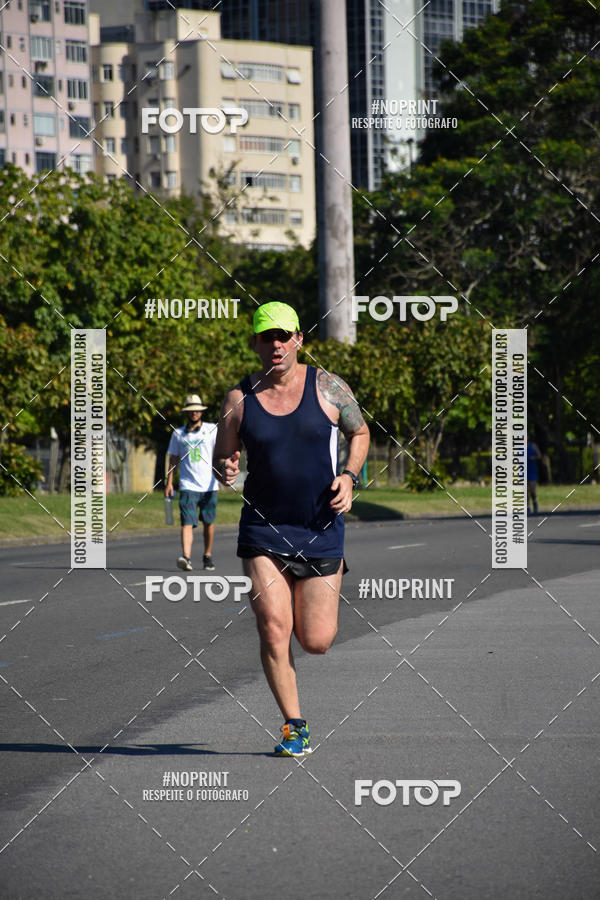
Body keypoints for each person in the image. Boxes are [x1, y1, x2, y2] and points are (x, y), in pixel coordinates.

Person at [214, 302, 370, 756]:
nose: (277, 344)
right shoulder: (239, 399)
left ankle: (315, 602)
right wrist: (225, 467)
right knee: (273, 626)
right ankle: (294, 726)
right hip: (263, 529)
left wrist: (350, 476)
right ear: (255, 344)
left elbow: (360, 433)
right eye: (267, 337)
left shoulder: (328, 387)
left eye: (284, 335)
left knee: (316, 641)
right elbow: (222, 457)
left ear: (299, 339)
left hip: (320, 527)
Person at [165, 393, 219, 571]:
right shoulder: (178, 433)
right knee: (187, 522)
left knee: (208, 522)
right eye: (191, 410)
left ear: (201, 411)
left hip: (209, 484)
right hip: (188, 485)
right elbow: (173, 459)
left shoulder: (211, 429)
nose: (194, 413)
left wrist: (223, 472)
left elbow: (220, 452)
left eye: (197, 410)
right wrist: (169, 482)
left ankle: (207, 555)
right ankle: (186, 557)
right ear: (187, 412)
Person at [527, 434, 542, 515]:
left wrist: (534, 457)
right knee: (525, 491)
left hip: (532, 471)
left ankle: (535, 502)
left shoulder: (533, 446)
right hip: (523, 471)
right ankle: (527, 507)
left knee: (532, 490)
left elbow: (539, 456)